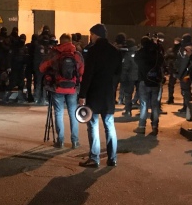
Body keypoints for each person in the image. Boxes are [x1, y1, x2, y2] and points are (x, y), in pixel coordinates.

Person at [78, 23, 122, 168]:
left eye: (91, 34)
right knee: (109, 125)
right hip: (108, 94)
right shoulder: (115, 51)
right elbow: (118, 73)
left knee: (93, 125)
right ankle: (112, 158)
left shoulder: (93, 51)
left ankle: (94, 158)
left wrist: (82, 94)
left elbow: (88, 75)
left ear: (96, 35)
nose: (91, 37)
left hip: (94, 94)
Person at [40, 34, 85, 149]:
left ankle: (60, 141)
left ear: (60, 41)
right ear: (70, 41)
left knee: (59, 113)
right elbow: (81, 71)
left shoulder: (55, 53)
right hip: (72, 88)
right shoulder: (76, 54)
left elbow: (42, 68)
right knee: (73, 113)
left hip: (58, 87)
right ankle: (75, 141)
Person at [134, 35, 164, 134]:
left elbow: (136, 61)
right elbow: (162, 63)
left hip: (143, 81)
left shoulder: (141, 53)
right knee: (155, 105)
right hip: (155, 81)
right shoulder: (157, 52)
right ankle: (155, 126)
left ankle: (142, 126)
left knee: (144, 104)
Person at [33, 26, 53, 105]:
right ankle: (41, 98)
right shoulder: (42, 47)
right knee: (43, 83)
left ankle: (38, 98)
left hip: (40, 67)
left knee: (39, 83)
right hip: (43, 67)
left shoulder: (39, 46)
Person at [175, 33, 192, 114]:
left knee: (185, 90)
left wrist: (179, 74)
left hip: (185, 74)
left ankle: (188, 107)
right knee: (187, 91)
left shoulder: (185, 49)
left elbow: (183, 62)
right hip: (190, 73)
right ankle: (187, 106)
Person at [119, 38, 138, 117]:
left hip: (129, 77)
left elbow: (125, 67)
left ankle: (128, 110)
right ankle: (143, 111)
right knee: (142, 95)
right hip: (139, 77)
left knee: (128, 94)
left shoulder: (127, 54)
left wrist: (122, 78)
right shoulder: (138, 52)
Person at [164, 37, 181, 104]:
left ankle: (186, 101)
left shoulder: (181, 50)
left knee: (184, 86)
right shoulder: (171, 50)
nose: (176, 43)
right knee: (171, 85)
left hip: (180, 69)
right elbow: (165, 58)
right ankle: (170, 98)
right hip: (173, 70)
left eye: (177, 42)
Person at [0, 27, 11, 93]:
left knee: (6, 72)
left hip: (6, 57)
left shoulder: (7, 38)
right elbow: (1, 46)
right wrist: (8, 48)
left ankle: (4, 85)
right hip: (1, 57)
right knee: (0, 71)